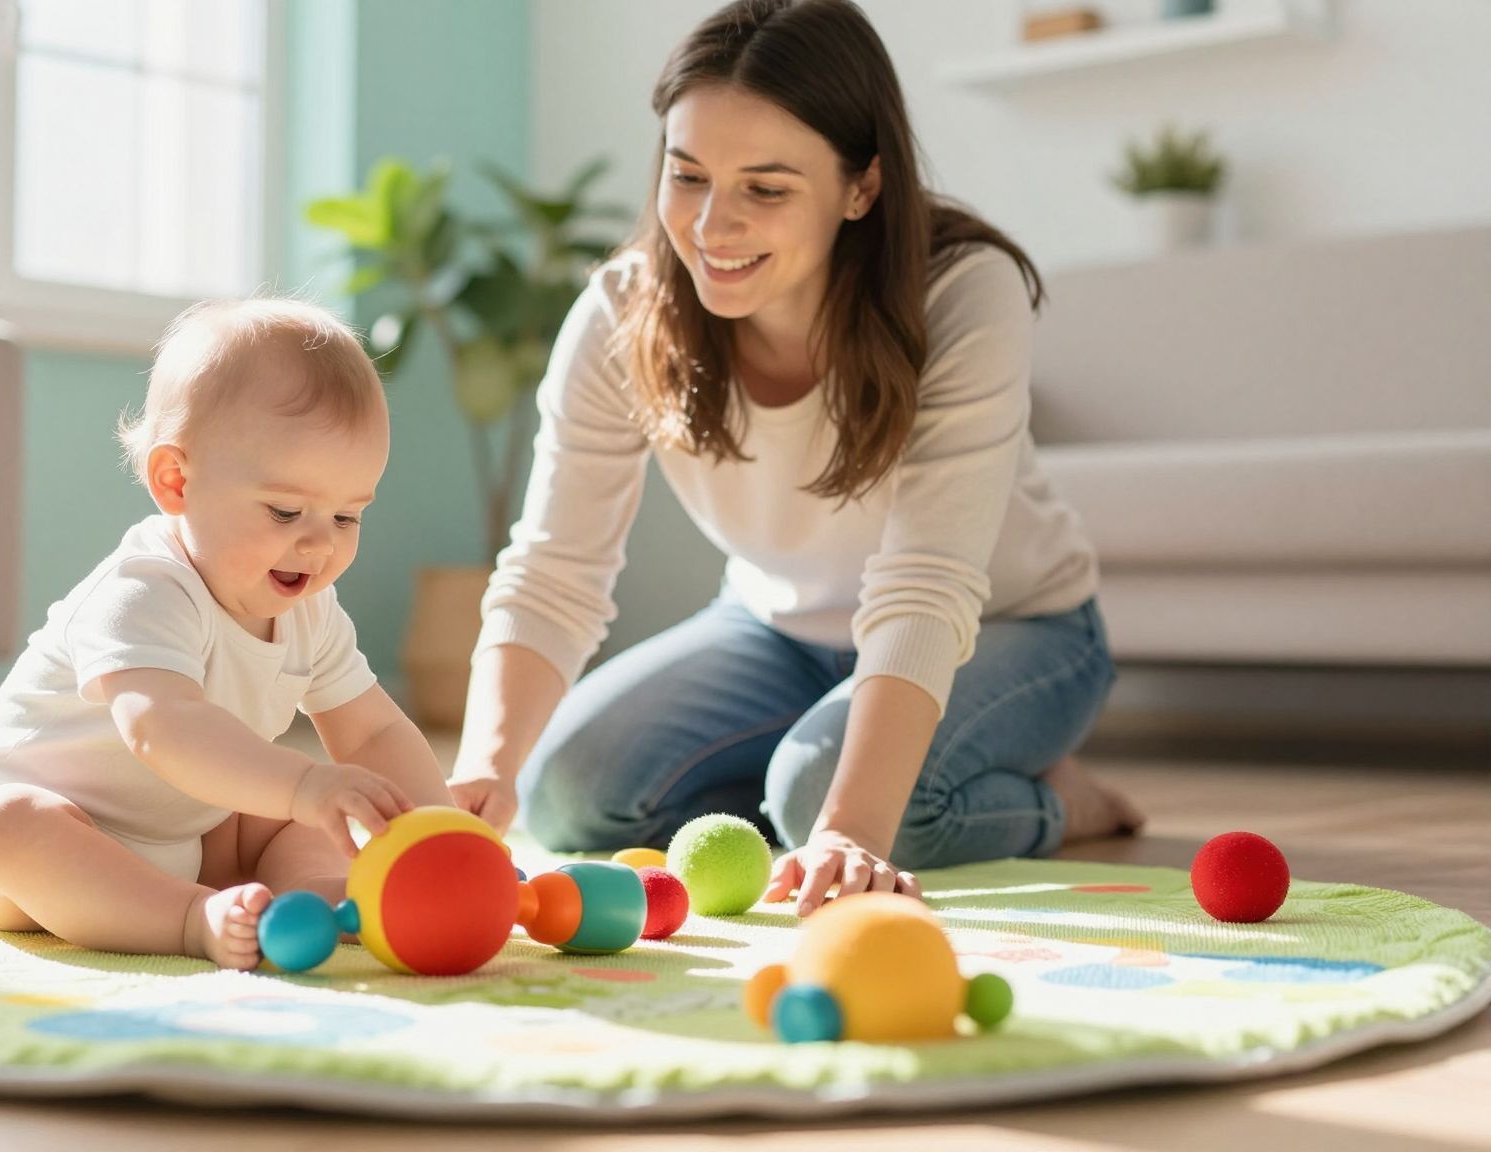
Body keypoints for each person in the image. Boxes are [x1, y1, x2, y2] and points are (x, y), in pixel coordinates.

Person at [447, 0, 1143, 916]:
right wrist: (478, 780)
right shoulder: (623, 311)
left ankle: (1062, 802)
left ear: (862, 187)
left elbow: (927, 581)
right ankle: (811, 784)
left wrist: (851, 830)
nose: (711, 227)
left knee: (830, 801)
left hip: (1016, 627)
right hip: (775, 630)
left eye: (765, 189)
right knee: (570, 797)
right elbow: (553, 571)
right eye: (687, 175)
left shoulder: (965, 292)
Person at [0, 298, 451, 969]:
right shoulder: (141, 591)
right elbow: (162, 727)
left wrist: (443, 838)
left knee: (311, 809)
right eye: (287, 510)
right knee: (5, 828)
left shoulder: (310, 613)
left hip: (191, 838)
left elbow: (373, 734)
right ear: (176, 481)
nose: (319, 544)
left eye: (348, 517)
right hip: (48, 842)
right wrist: (299, 785)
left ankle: (306, 899)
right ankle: (188, 920)